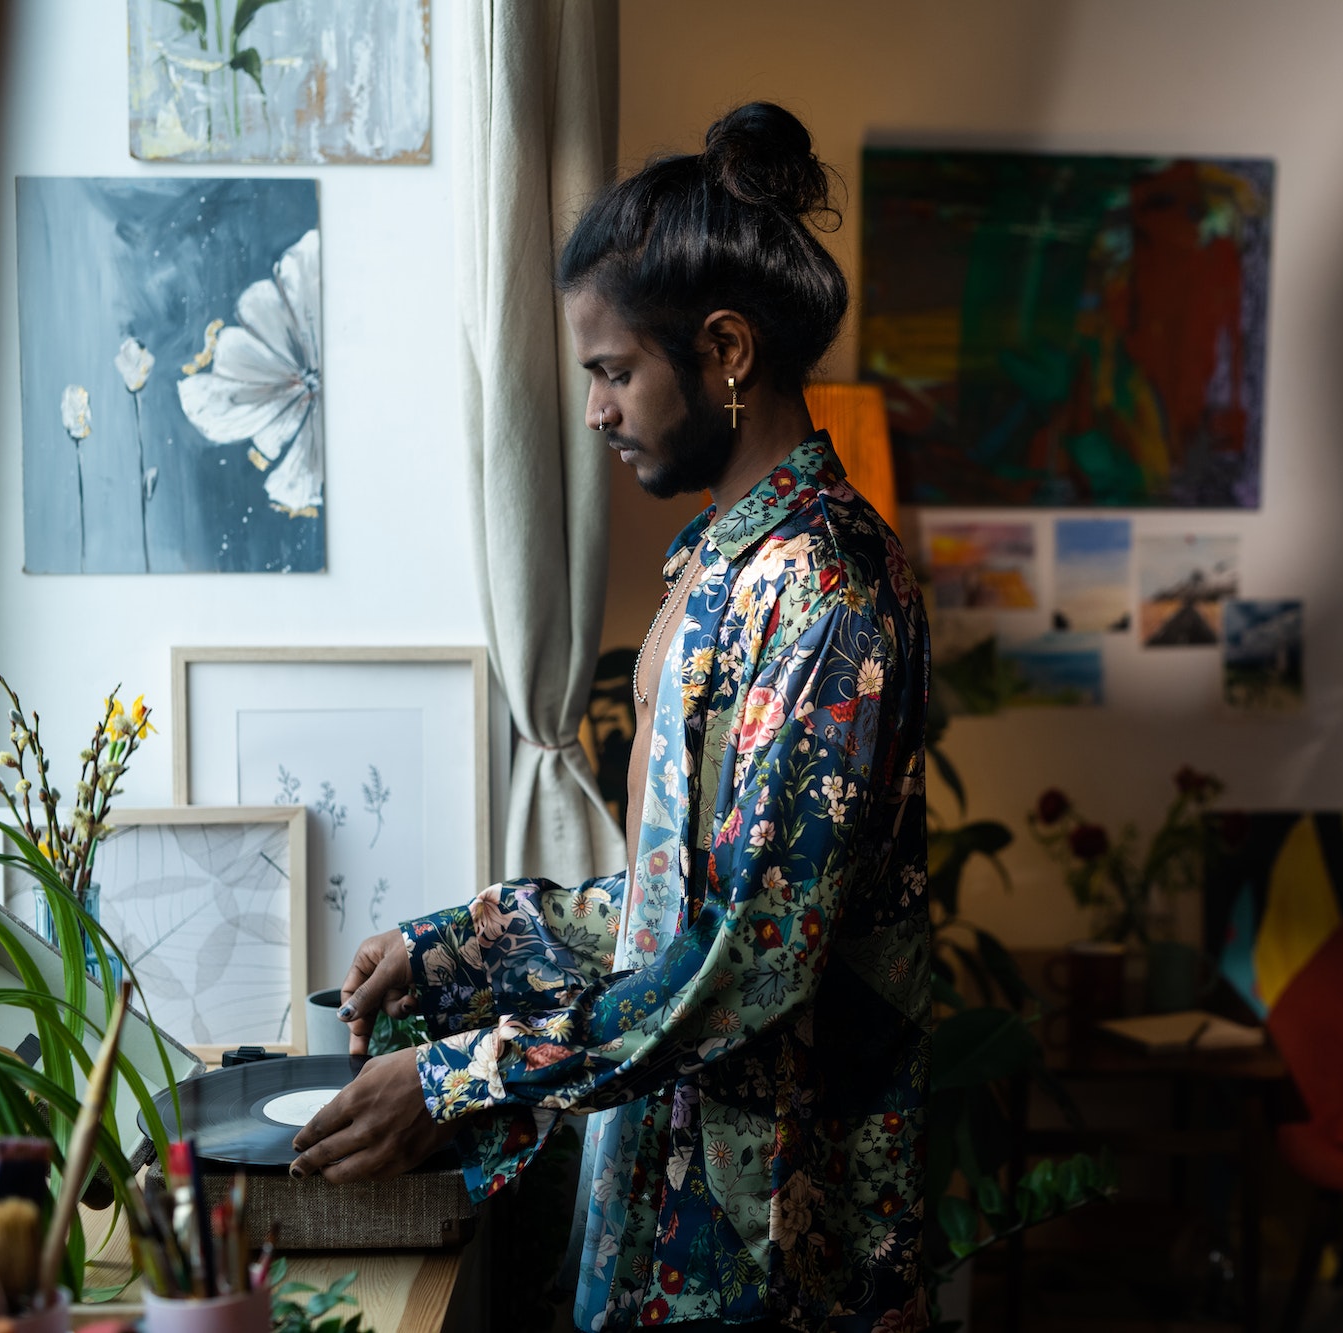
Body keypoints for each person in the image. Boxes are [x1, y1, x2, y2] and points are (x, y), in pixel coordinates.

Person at [286, 103, 933, 1333]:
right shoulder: (720, 569)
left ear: (726, 349)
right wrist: (450, 949)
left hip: (768, 1250)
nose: (595, 412)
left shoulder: (826, 593)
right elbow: (666, 911)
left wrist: (455, 1080)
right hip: (659, 1188)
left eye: (611, 370)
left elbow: (744, 960)